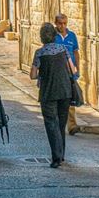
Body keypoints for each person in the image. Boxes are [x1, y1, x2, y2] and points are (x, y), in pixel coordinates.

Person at [31, 22, 76, 169]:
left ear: (42, 38)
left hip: (48, 92)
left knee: (51, 124)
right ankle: (61, 154)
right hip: (65, 91)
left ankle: (56, 157)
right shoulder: (63, 49)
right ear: (55, 36)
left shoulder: (39, 53)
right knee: (61, 124)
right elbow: (73, 70)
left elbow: (32, 75)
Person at [54, 13, 80, 135]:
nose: (62, 26)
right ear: (56, 23)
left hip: (69, 72)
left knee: (71, 99)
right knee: (59, 99)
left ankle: (72, 125)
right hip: (57, 73)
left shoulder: (72, 36)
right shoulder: (53, 36)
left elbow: (75, 52)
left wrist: (77, 68)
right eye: (60, 23)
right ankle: (59, 124)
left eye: (64, 23)